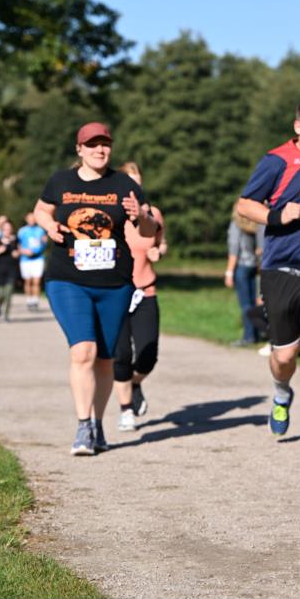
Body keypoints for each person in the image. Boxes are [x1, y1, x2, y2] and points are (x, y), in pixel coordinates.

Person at [34, 122, 159, 456]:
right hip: (67, 279)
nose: (100, 150)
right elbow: (41, 210)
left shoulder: (124, 184)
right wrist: (48, 225)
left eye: (105, 144)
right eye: (92, 144)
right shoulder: (61, 181)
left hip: (114, 283)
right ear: (80, 149)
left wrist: (140, 215)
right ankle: (82, 425)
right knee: (83, 351)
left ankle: (98, 424)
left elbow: (149, 231)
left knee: (105, 358)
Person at [237, 100, 300, 456]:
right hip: (282, 271)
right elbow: (245, 204)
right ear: (298, 127)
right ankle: (282, 393)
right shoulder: (278, 161)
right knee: (285, 356)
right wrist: (277, 216)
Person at [113, 162, 167, 431]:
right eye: (130, 183)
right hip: (117, 292)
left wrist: (159, 251)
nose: (136, 188)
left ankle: (134, 384)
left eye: (139, 182)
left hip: (146, 291)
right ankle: (125, 410)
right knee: (121, 354)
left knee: (148, 354)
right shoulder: (112, 216)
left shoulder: (153, 214)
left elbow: (161, 241)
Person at [225, 202, 260, 347]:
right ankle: (256, 333)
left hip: (241, 266)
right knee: (253, 302)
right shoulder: (253, 225)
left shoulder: (236, 226)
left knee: (245, 304)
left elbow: (234, 251)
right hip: (253, 265)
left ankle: (248, 336)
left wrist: (229, 272)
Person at [0, 220, 20, 321]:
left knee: (9, 293)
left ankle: (6, 315)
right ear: (2, 230)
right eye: (5, 229)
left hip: (12, 270)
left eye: (9, 229)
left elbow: (19, 251)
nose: (7, 231)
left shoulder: (16, 240)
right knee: (0, 294)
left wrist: (17, 253)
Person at [17, 211, 48, 310]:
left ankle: (35, 301)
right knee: (28, 281)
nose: (31, 220)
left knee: (36, 281)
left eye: (33, 218)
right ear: (26, 219)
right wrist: (24, 251)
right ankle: (29, 300)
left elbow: (44, 244)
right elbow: (17, 245)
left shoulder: (40, 230)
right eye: (29, 218)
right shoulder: (22, 231)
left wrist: (41, 246)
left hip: (37, 258)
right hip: (25, 259)